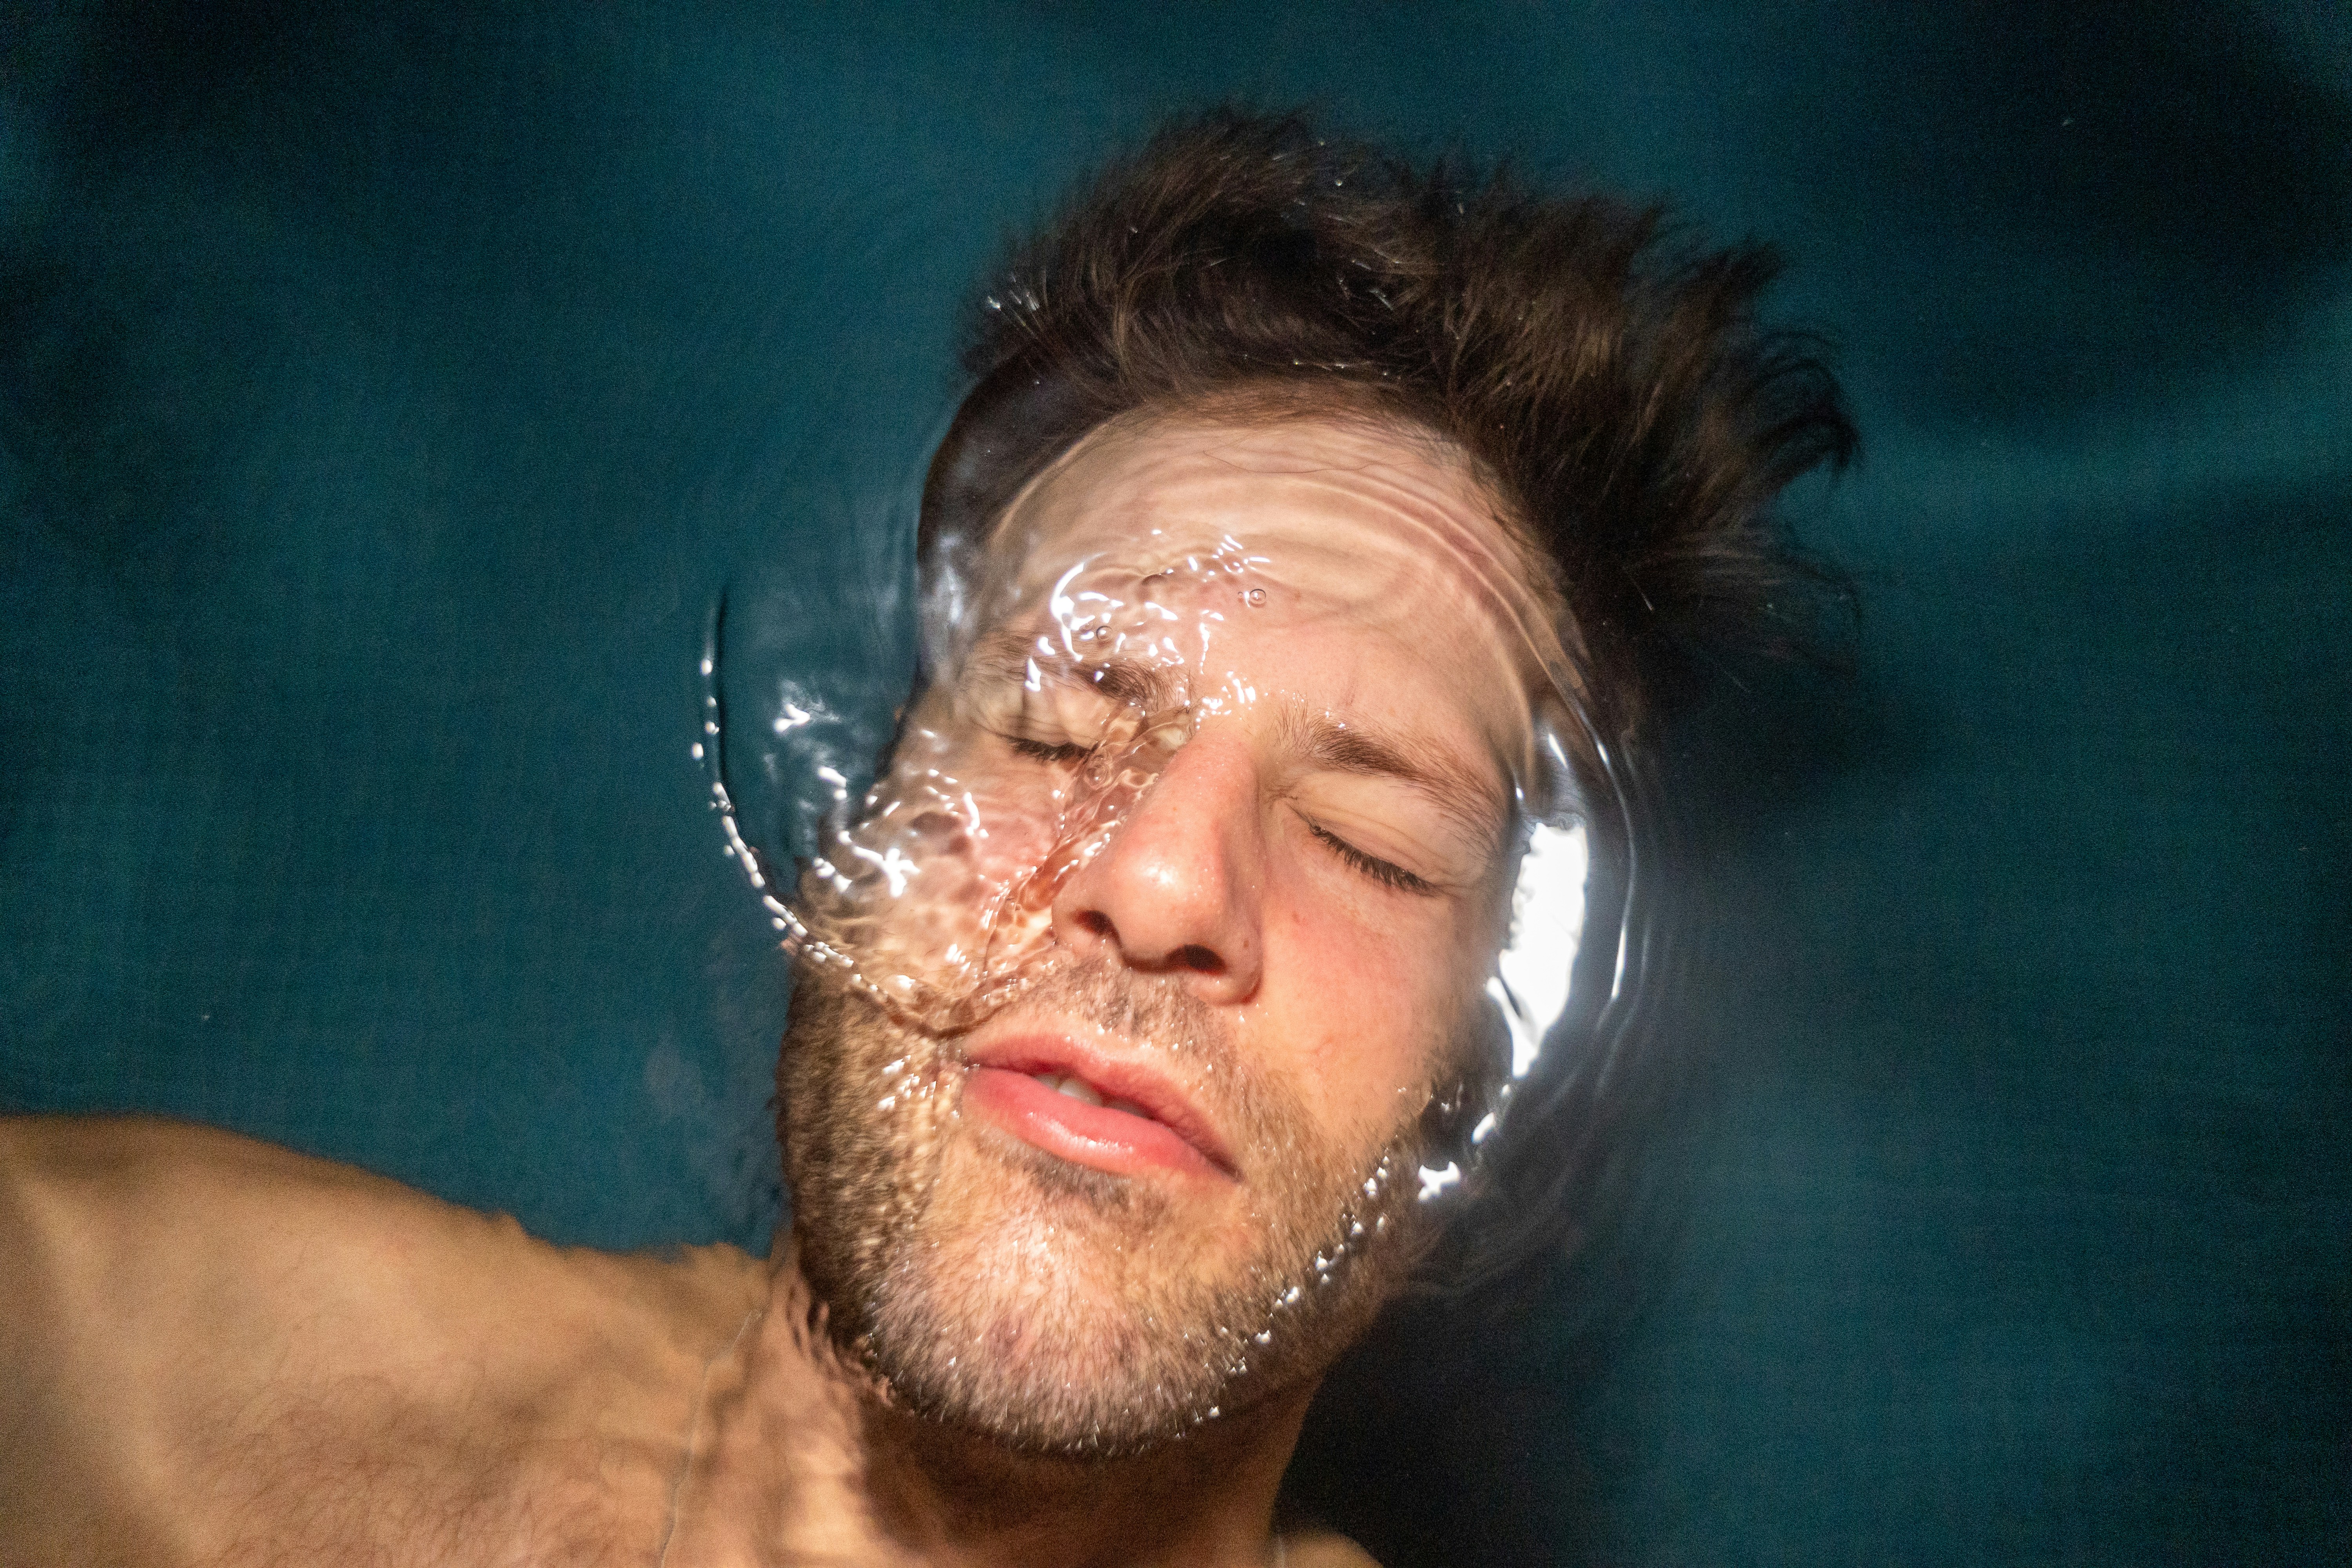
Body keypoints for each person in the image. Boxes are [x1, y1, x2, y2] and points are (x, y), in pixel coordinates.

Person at [0, 111, 1852, 1566]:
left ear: (1491, 1082)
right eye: (1055, 726)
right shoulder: (97, 1362)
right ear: (850, 829)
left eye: (1371, 842)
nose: (1160, 882)